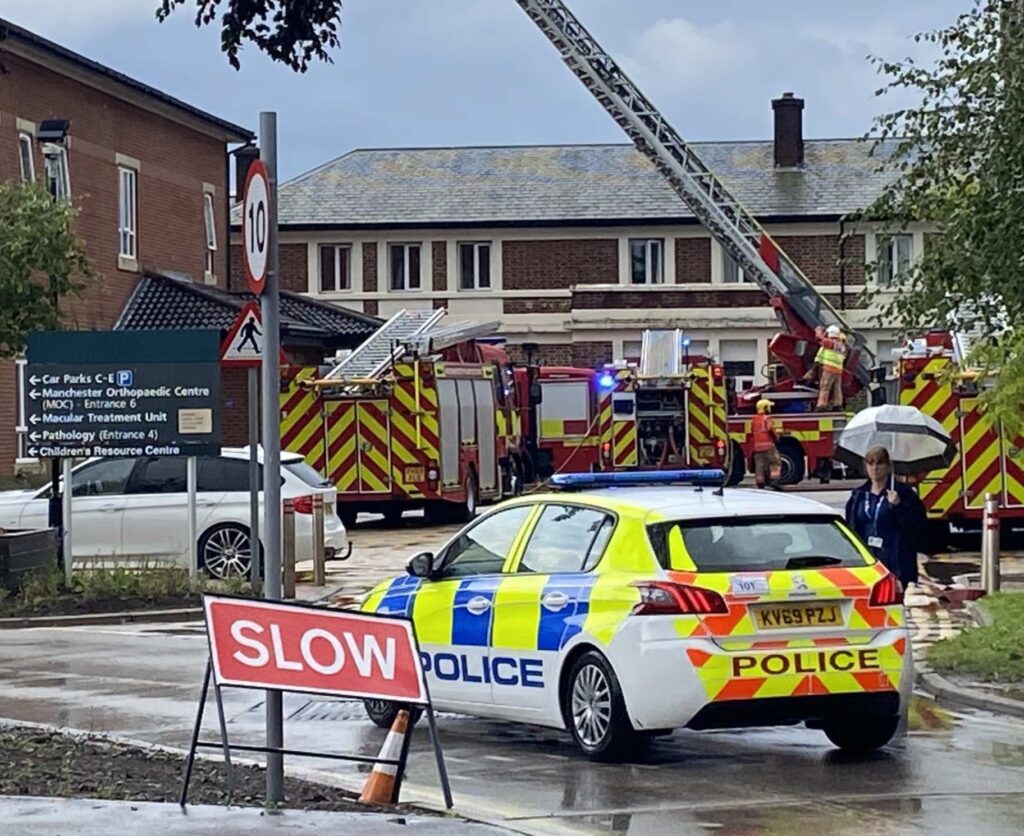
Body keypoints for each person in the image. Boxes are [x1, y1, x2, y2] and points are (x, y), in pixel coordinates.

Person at [845, 446, 925, 586]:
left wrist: (899, 506)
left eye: (879, 463)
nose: (874, 468)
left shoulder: (904, 493)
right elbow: (851, 529)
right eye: (870, 463)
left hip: (896, 563)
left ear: (888, 466)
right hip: (868, 562)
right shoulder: (858, 495)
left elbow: (918, 526)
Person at [814, 324, 848, 411]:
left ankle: (821, 405)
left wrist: (818, 330)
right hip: (838, 370)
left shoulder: (831, 343)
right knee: (837, 388)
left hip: (829, 369)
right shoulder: (841, 345)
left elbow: (820, 339)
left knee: (825, 386)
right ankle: (838, 405)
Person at [750, 398, 781, 490]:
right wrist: (777, 438)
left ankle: (760, 483)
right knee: (775, 462)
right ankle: (774, 481)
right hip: (768, 447)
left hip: (757, 448)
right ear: (765, 408)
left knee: (759, 466)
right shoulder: (767, 419)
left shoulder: (754, 420)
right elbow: (771, 430)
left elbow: (752, 432)